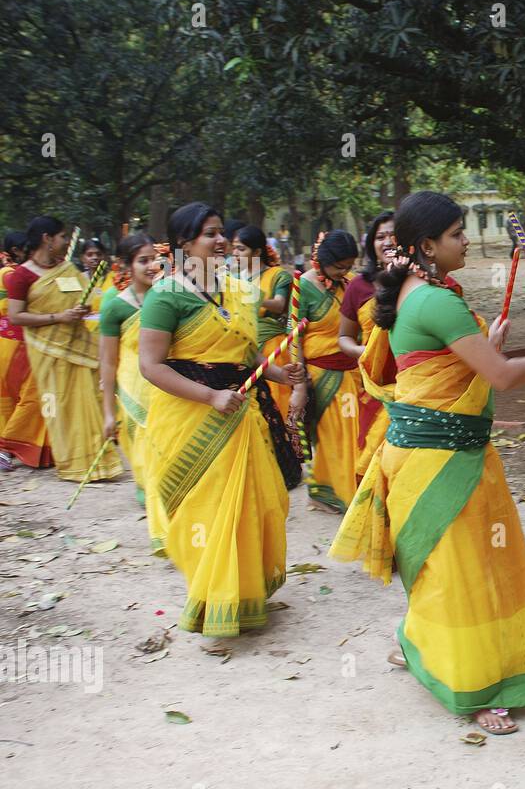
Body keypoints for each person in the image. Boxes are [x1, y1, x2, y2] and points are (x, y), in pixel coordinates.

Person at [331, 191, 525, 735]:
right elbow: (504, 377)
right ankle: (477, 686)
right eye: (457, 234)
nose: (466, 242)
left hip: (427, 457)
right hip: (443, 461)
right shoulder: (438, 301)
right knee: (464, 572)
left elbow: (439, 368)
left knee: (445, 570)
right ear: (426, 246)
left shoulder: (417, 295)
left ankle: (417, 643)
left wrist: (488, 345)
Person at [137, 202, 307, 637]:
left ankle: (245, 591)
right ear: (182, 244)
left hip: (242, 411)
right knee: (211, 512)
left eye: (221, 233)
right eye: (209, 234)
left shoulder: (237, 289)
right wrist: (210, 395)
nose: (220, 241)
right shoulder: (166, 295)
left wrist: (277, 372)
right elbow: (151, 366)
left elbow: (245, 353)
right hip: (193, 417)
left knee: (257, 502)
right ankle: (214, 609)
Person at [4, 215, 122, 482]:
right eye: (62, 237)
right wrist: (59, 317)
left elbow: (87, 299)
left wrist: (82, 309)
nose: (65, 241)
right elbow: (16, 316)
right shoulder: (21, 276)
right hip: (48, 352)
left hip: (79, 346)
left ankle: (99, 462)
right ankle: (74, 465)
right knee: (63, 406)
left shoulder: (66, 268)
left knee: (90, 400)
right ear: (47, 238)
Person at [296, 229, 362, 512]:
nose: (344, 272)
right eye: (338, 267)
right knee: (334, 436)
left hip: (354, 370)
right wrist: (299, 383)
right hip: (322, 374)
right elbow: (294, 337)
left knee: (357, 433)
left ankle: (349, 491)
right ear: (321, 261)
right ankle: (331, 494)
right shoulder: (301, 287)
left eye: (348, 267)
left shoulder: (351, 284)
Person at [98, 233, 161, 512]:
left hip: (165, 382)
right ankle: (147, 488)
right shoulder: (115, 307)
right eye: (142, 261)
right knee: (138, 441)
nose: (151, 266)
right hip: (132, 387)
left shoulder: (170, 298)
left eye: (154, 259)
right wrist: (109, 412)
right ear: (126, 266)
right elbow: (108, 361)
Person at [339, 210, 396, 484]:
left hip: (419, 384)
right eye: (380, 236)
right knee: (374, 463)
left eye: (393, 235)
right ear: (371, 244)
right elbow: (344, 339)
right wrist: (368, 352)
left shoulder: (422, 281)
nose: (387, 241)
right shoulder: (358, 286)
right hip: (374, 386)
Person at [0, 230, 54, 472]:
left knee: (10, 399)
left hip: (8, 342)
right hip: (18, 345)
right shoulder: (14, 275)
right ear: (17, 251)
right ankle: (7, 446)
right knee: (31, 398)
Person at [230, 224, 294, 420]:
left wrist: (248, 296)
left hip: (271, 346)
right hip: (239, 347)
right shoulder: (231, 277)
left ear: (257, 251)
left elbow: (279, 305)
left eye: (241, 249)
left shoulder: (278, 275)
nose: (235, 253)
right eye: (234, 248)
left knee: (278, 402)